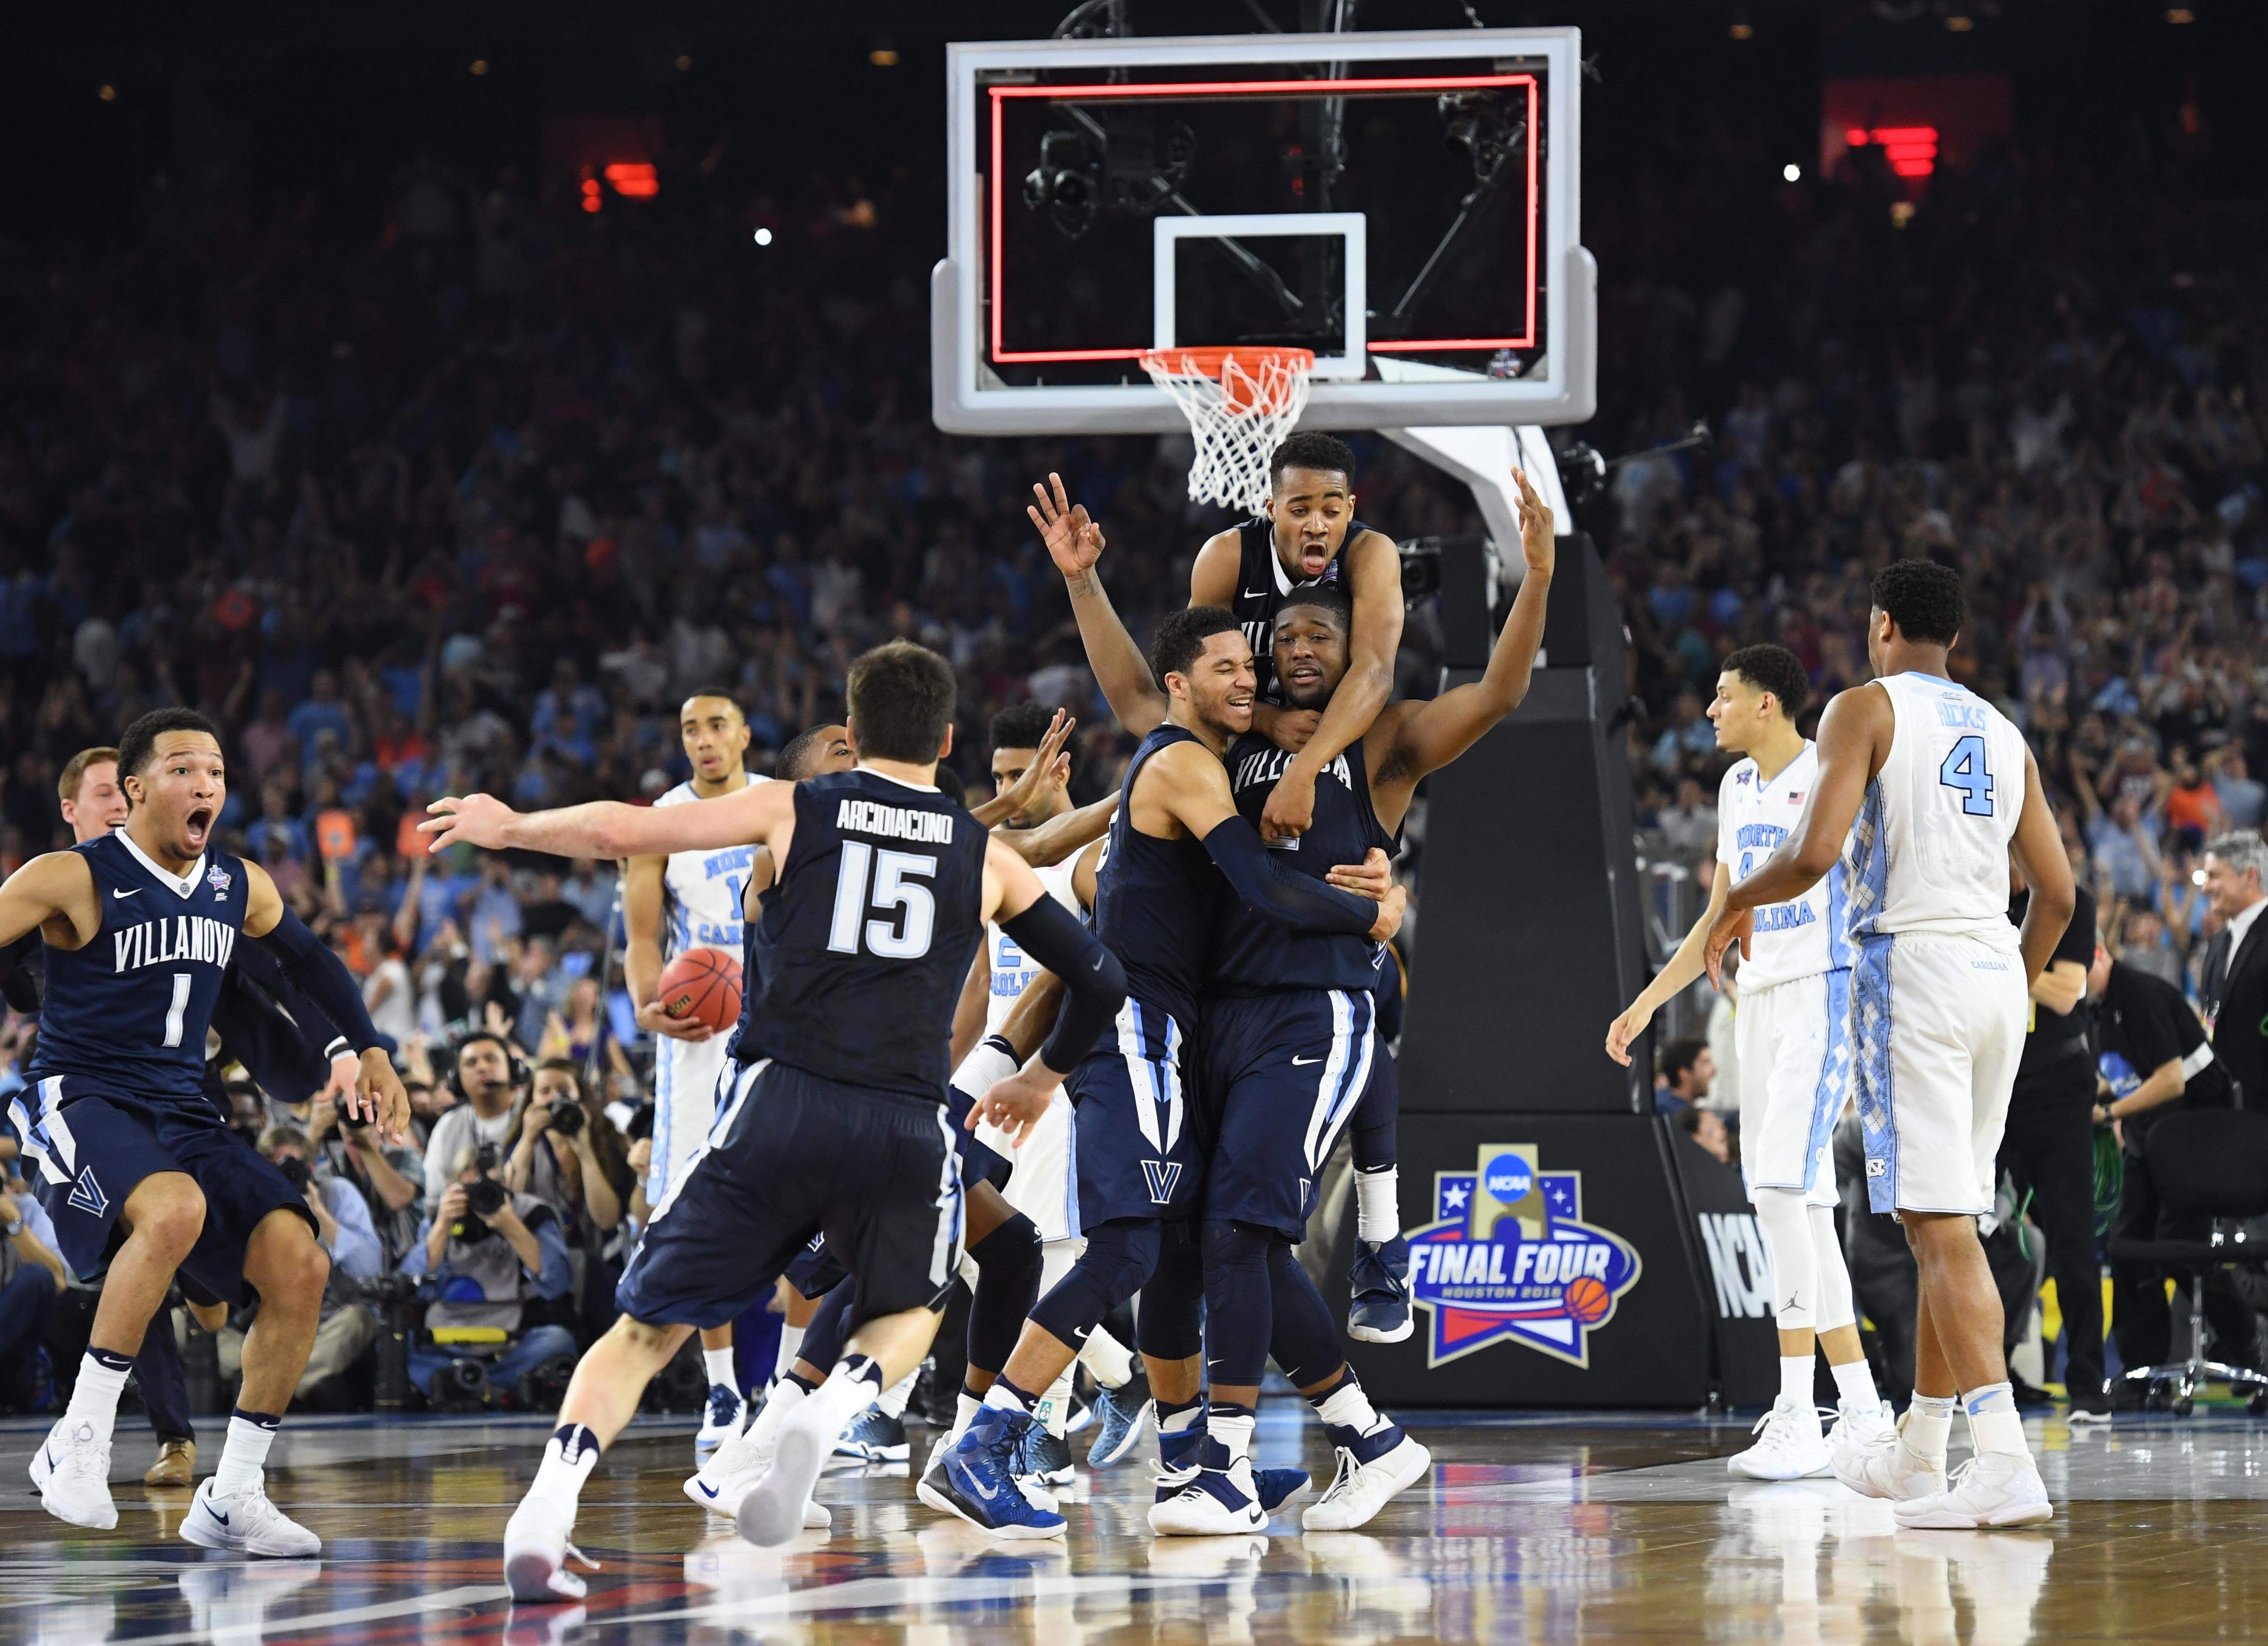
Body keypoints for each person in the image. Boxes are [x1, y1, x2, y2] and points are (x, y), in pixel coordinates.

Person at [420, 640, 1131, 1598]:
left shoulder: (795, 806)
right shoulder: (984, 855)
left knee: (644, 1326)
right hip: (904, 1122)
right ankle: (827, 1406)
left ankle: (547, 1507)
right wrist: (1043, 1075)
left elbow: (630, 828)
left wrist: (509, 825)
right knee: (912, 1309)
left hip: (779, 1100)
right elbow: (1099, 976)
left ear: (852, 725)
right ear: (949, 737)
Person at [932, 607, 1404, 1541]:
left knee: (1179, 1250)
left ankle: (1191, 1464)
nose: (1248, 679)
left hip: (1162, 1033)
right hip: (1137, 1031)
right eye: (1226, 666)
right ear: (1182, 684)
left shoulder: (1186, 762)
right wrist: (1374, 917)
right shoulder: (1185, 763)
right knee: (1126, 1253)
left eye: (1250, 666)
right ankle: (986, 1439)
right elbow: (1263, 886)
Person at [1704, 561, 2074, 1530]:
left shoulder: (1862, 708)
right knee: (1945, 1221)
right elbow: (2062, 893)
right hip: (1997, 969)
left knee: (1940, 1228)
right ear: (1951, 637)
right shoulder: (2003, 730)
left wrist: (1739, 899)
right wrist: (2015, 980)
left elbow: (1818, 852)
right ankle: (1921, 1448)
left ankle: (2001, 1460)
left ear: (1880, 626)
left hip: (1914, 963)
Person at [0, 708, 409, 1552]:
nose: (207, 786)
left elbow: (307, 962)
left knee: (301, 1263)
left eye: (217, 772)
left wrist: (368, 1045)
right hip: (81, 1095)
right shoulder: (69, 876)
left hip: (183, 1106)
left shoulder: (237, 882)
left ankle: (233, 1492)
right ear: (139, 788)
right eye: (186, 769)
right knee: (175, 1210)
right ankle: (76, 1440)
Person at [1608, 643, 1895, 1481]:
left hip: (1821, 992)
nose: (1708, 711)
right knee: (1798, 1204)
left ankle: (1798, 1413)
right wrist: (1645, 1002)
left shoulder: (1829, 772)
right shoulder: (1736, 790)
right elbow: (1716, 916)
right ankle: (1864, 1408)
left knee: (1775, 1188)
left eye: (1723, 696)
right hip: (1756, 1001)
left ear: (1766, 703)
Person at [936, 700, 1135, 1485]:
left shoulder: (1095, 856)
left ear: (1059, 769)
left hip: (1064, 1072)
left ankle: (1038, 1429)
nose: (1007, 787)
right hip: (998, 1066)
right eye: (996, 776)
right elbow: (985, 982)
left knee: (1048, 1252)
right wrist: (949, 1072)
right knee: (962, 1237)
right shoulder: (998, 853)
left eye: (1019, 773)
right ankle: (1121, 1375)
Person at [1038, 431, 1405, 846]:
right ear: (1272, 509)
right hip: (1241, 733)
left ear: (1351, 509)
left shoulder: (1370, 554)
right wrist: (1269, 722)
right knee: (1154, 712)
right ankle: (1035, 846)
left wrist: (1304, 769)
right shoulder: (1229, 557)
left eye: (1332, 511)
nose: (1316, 525)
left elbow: (1374, 673)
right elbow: (1190, 686)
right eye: (1299, 510)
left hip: (1337, 742)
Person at [622, 688, 777, 1460]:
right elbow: (641, 937)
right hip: (698, 1035)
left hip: (781, 1022)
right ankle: (721, 1384)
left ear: (745, 734)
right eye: (689, 727)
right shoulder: (661, 820)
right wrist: (646, 1003)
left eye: (717, 724)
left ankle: (784, 1383)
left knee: (797, 1200)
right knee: (692, 1203)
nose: (703, 738)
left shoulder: (780, 806)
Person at [2092, 941, 2258, 1377]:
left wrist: (2108, 1113)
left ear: (2097, 954)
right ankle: (2140, 1370)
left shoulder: (2141, 996)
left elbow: (2169, 1082)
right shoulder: (2102, 1007)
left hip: (2195, 1138)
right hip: (2152, 1137)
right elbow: (2132, 1075)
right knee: (2129, 1246)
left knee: (2177, 1242)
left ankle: (2245, 1343)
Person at [1998, 861, 2106, 1419]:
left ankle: (2087, 1385)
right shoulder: (1975, 895)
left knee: (2072, 1239)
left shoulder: (2070, 901)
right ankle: (1985, 1377)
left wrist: (1997, 957)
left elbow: (2067, 994)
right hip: (1992, 1086)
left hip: (2057, 1091)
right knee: (1971, 1230)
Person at [400, 1143, 577, 1406]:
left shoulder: (532, 1213)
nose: (478, 1198)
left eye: (487, 1188)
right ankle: (493, 1389)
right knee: (395, 1347)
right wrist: (442, 1227)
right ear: (452, 1186)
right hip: (445, 1339)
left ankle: (463, 1386)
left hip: (512, 1342)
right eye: (470, 1189)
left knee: (557, 1341)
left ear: (505, 1182)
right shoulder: (439, 1220)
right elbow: (410, 1286)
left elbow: (557, 1283)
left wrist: (511, 1226)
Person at [2198, 830, 2268, 1106]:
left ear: (2249, 876)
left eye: (2215, 876)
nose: (2205, 888)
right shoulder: (2218, 944)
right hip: (2228, 1107)